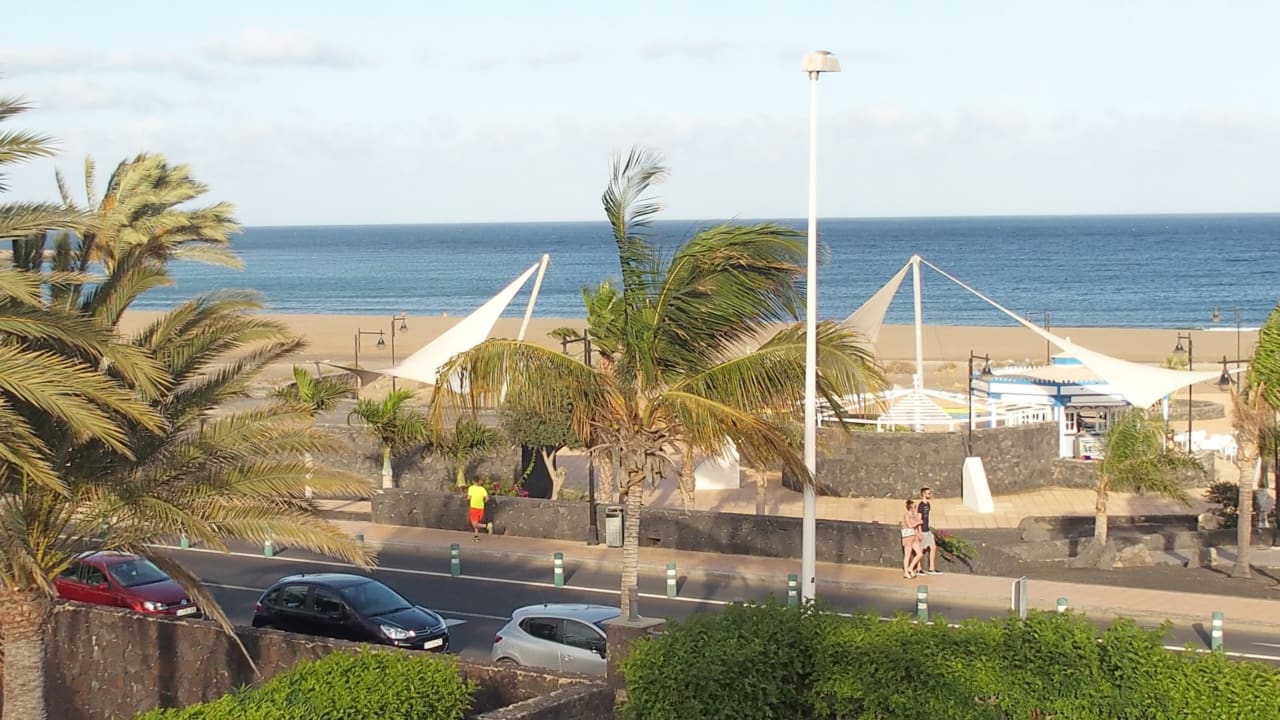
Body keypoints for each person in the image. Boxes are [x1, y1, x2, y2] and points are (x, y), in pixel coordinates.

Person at [917, 486, 942, 575]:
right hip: (923, 530)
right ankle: (918, 568)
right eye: (928, 493)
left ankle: (931, 568)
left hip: (927, 530)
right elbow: (919, 519)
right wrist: (919, 532)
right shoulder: (921, 506)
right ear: (923, 494)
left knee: (933, 547)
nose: (930, 495)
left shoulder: (928, 504)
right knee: (920, 550)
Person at [901, 499, 923, 579]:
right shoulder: (906, 515)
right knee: (907, 555)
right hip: (908, 536)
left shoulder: (915, 515)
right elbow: (909, 525)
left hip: (914, 536)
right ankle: (906, 572)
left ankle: (910, 568)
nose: (915, 508)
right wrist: (918, 522)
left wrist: (919, 533)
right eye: (914, 507)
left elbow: (917, 526)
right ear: (910, 508)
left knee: (920, 553)